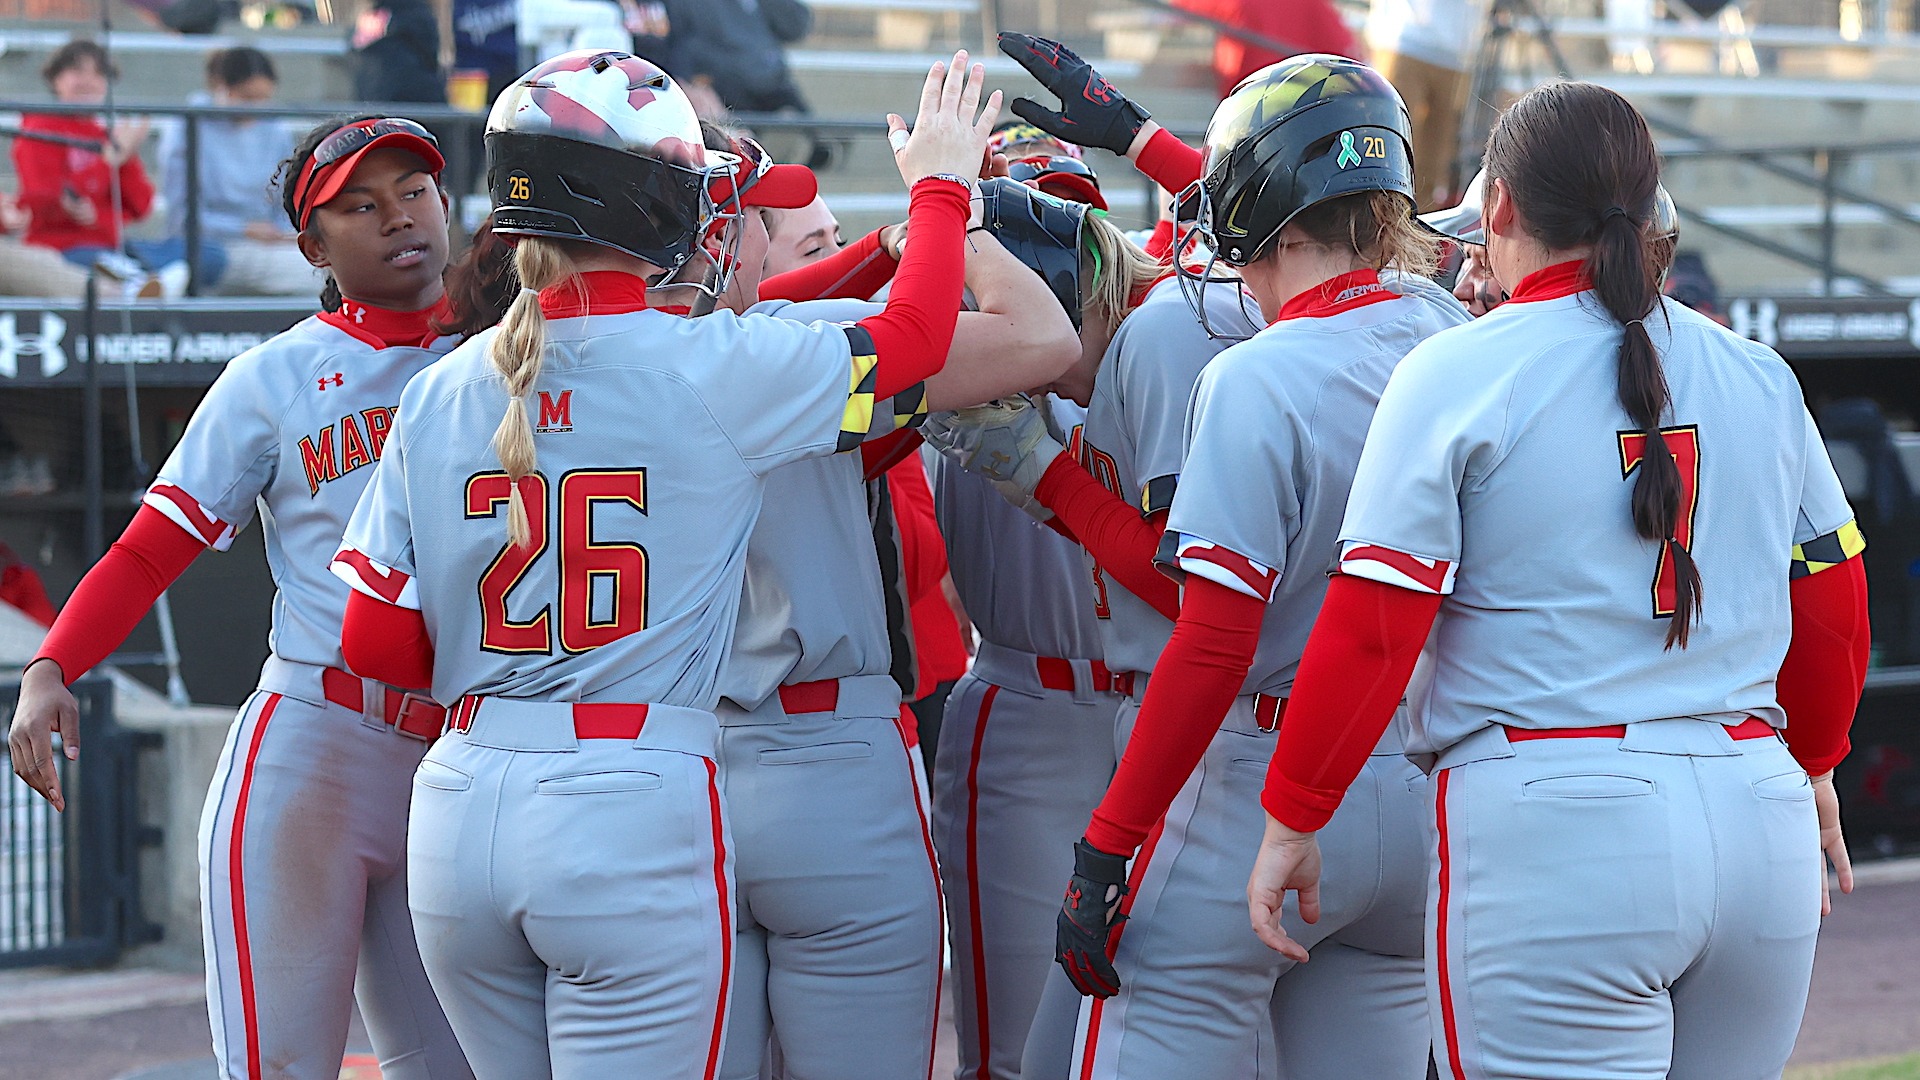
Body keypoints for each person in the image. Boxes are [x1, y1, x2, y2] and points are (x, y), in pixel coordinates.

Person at [328, 49, 998, 1074]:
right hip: (628, 797)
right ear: (657, 203)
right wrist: (942, 190)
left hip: (460, 803)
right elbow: (913, 340)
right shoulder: (707, 363)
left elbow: (374, 643)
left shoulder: (441, 386)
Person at [1247, 81, 1868, 1080]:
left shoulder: (1458, 368)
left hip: (1557, 816)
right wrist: (1819, 763)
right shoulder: (1758, 371)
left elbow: (1373, 628)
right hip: (1755, 805)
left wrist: (1295, 812)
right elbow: (1834, 600)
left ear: (1499, 207)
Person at [939, 55, 1467, 1079]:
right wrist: (1147, 142)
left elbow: (1214, 636)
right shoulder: (1447, 329)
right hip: (1409, 770)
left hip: (1251, 767)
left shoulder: (1252, 373)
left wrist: (1107, 842)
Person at [7, 115, 471, 1080]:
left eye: (414, 191)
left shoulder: (515, 353)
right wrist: (53, 664)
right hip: (321, 742)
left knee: (458, 1068)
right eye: (360, 205)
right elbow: (148, 552)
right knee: (278, 1066)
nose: (398, 217)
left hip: (467, 755)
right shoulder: (273, 378)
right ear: (313, 248)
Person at [157, 47, 322, 296]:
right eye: (247, 97)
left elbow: (283, 201)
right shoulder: (188, 127)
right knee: (317, 273)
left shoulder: (275, 128)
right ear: (221, 87)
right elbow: (183, 217)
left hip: (269, 242)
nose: (257, 108)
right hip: (214, 245)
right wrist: (244, 229)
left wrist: (282, 233)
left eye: (264, 99)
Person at [12, 41, 172, 287]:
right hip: (62, 249)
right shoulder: (39, 129)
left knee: (204, 254)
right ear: (56, 79)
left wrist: (126, 155)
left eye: (98, 73)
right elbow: (47, 202)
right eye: (77, 71)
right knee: (111, 266)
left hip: (109, 245)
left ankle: (148, 283)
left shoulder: (103, 134)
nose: (88, 81)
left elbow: (141, 205)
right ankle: (144, 285)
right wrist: (107, 162)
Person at [1365, 0, 1481, 208]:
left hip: (1459, 54)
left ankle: (1418, 223)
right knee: (1387, 145)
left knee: (1435, 162)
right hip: (1405, 39)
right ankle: (1374, 216)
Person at [352, 0, 447, 104]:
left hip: (387, 97)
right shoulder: (418, 13)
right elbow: (431, 54)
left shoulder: (377, 17)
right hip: (417, 99)